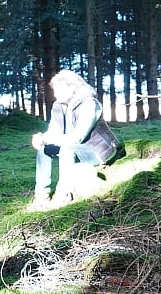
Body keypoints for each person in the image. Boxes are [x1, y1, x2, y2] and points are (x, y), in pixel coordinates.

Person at [27, 69, 113, 211]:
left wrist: (48, 138)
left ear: (71, 87)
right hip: (75, 148)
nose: (55, 94)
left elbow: (78, 137)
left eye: (58, 90)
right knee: (44, 149)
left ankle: (63, 195)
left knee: (67, 150)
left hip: (97, 149)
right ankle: (41, 196)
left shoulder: (89, 104)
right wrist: (42, 139)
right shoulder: (58, 106)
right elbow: (53, 132)